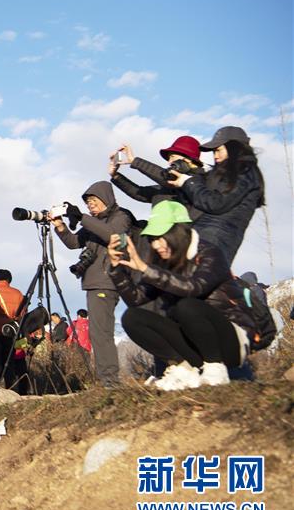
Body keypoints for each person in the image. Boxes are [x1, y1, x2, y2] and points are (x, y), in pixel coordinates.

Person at [108, 201, 257, 390]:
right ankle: (184, 368)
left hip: (230, 341)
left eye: (161, 237)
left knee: (186, 306)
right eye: (153, 239)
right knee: (132, 318)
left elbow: (194, 288)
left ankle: (215, 369)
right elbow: (136, 299)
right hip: (193, 342)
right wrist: (116, 269)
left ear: (178, 232)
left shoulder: (209, 254)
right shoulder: (164, 264)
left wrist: (146, 269)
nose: (156, 244)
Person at [50, 181, 132, 387]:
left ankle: (110, 382)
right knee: (98, 332)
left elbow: (112, 236)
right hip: (93, 282)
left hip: (108, 281)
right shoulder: (93, 223)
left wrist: (82, 218)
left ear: (107, 198)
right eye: (87, 203)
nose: (91, 205)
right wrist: (60, 225)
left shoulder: (121, 217)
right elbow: (73, 243)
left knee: (101, 332)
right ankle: (107, 380)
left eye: (94, 201)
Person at [166, 126, 265, 266]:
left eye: (218, 150)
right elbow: (199, 201)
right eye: (213, 151)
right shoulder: (233, 172)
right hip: (204, 239)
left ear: (234, 148)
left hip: (213, 242)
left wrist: (188, 182)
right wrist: (183, 185)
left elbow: (215, 203)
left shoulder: (245, 171)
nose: (215, 156)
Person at [109, 135, 205, 218]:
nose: (169, 162)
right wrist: (115, 175)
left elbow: (165, 178)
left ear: (188, 160)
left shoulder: (199, 182)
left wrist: (134, 161)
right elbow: (139, 193)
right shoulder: (166, 186)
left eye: (172, 157)